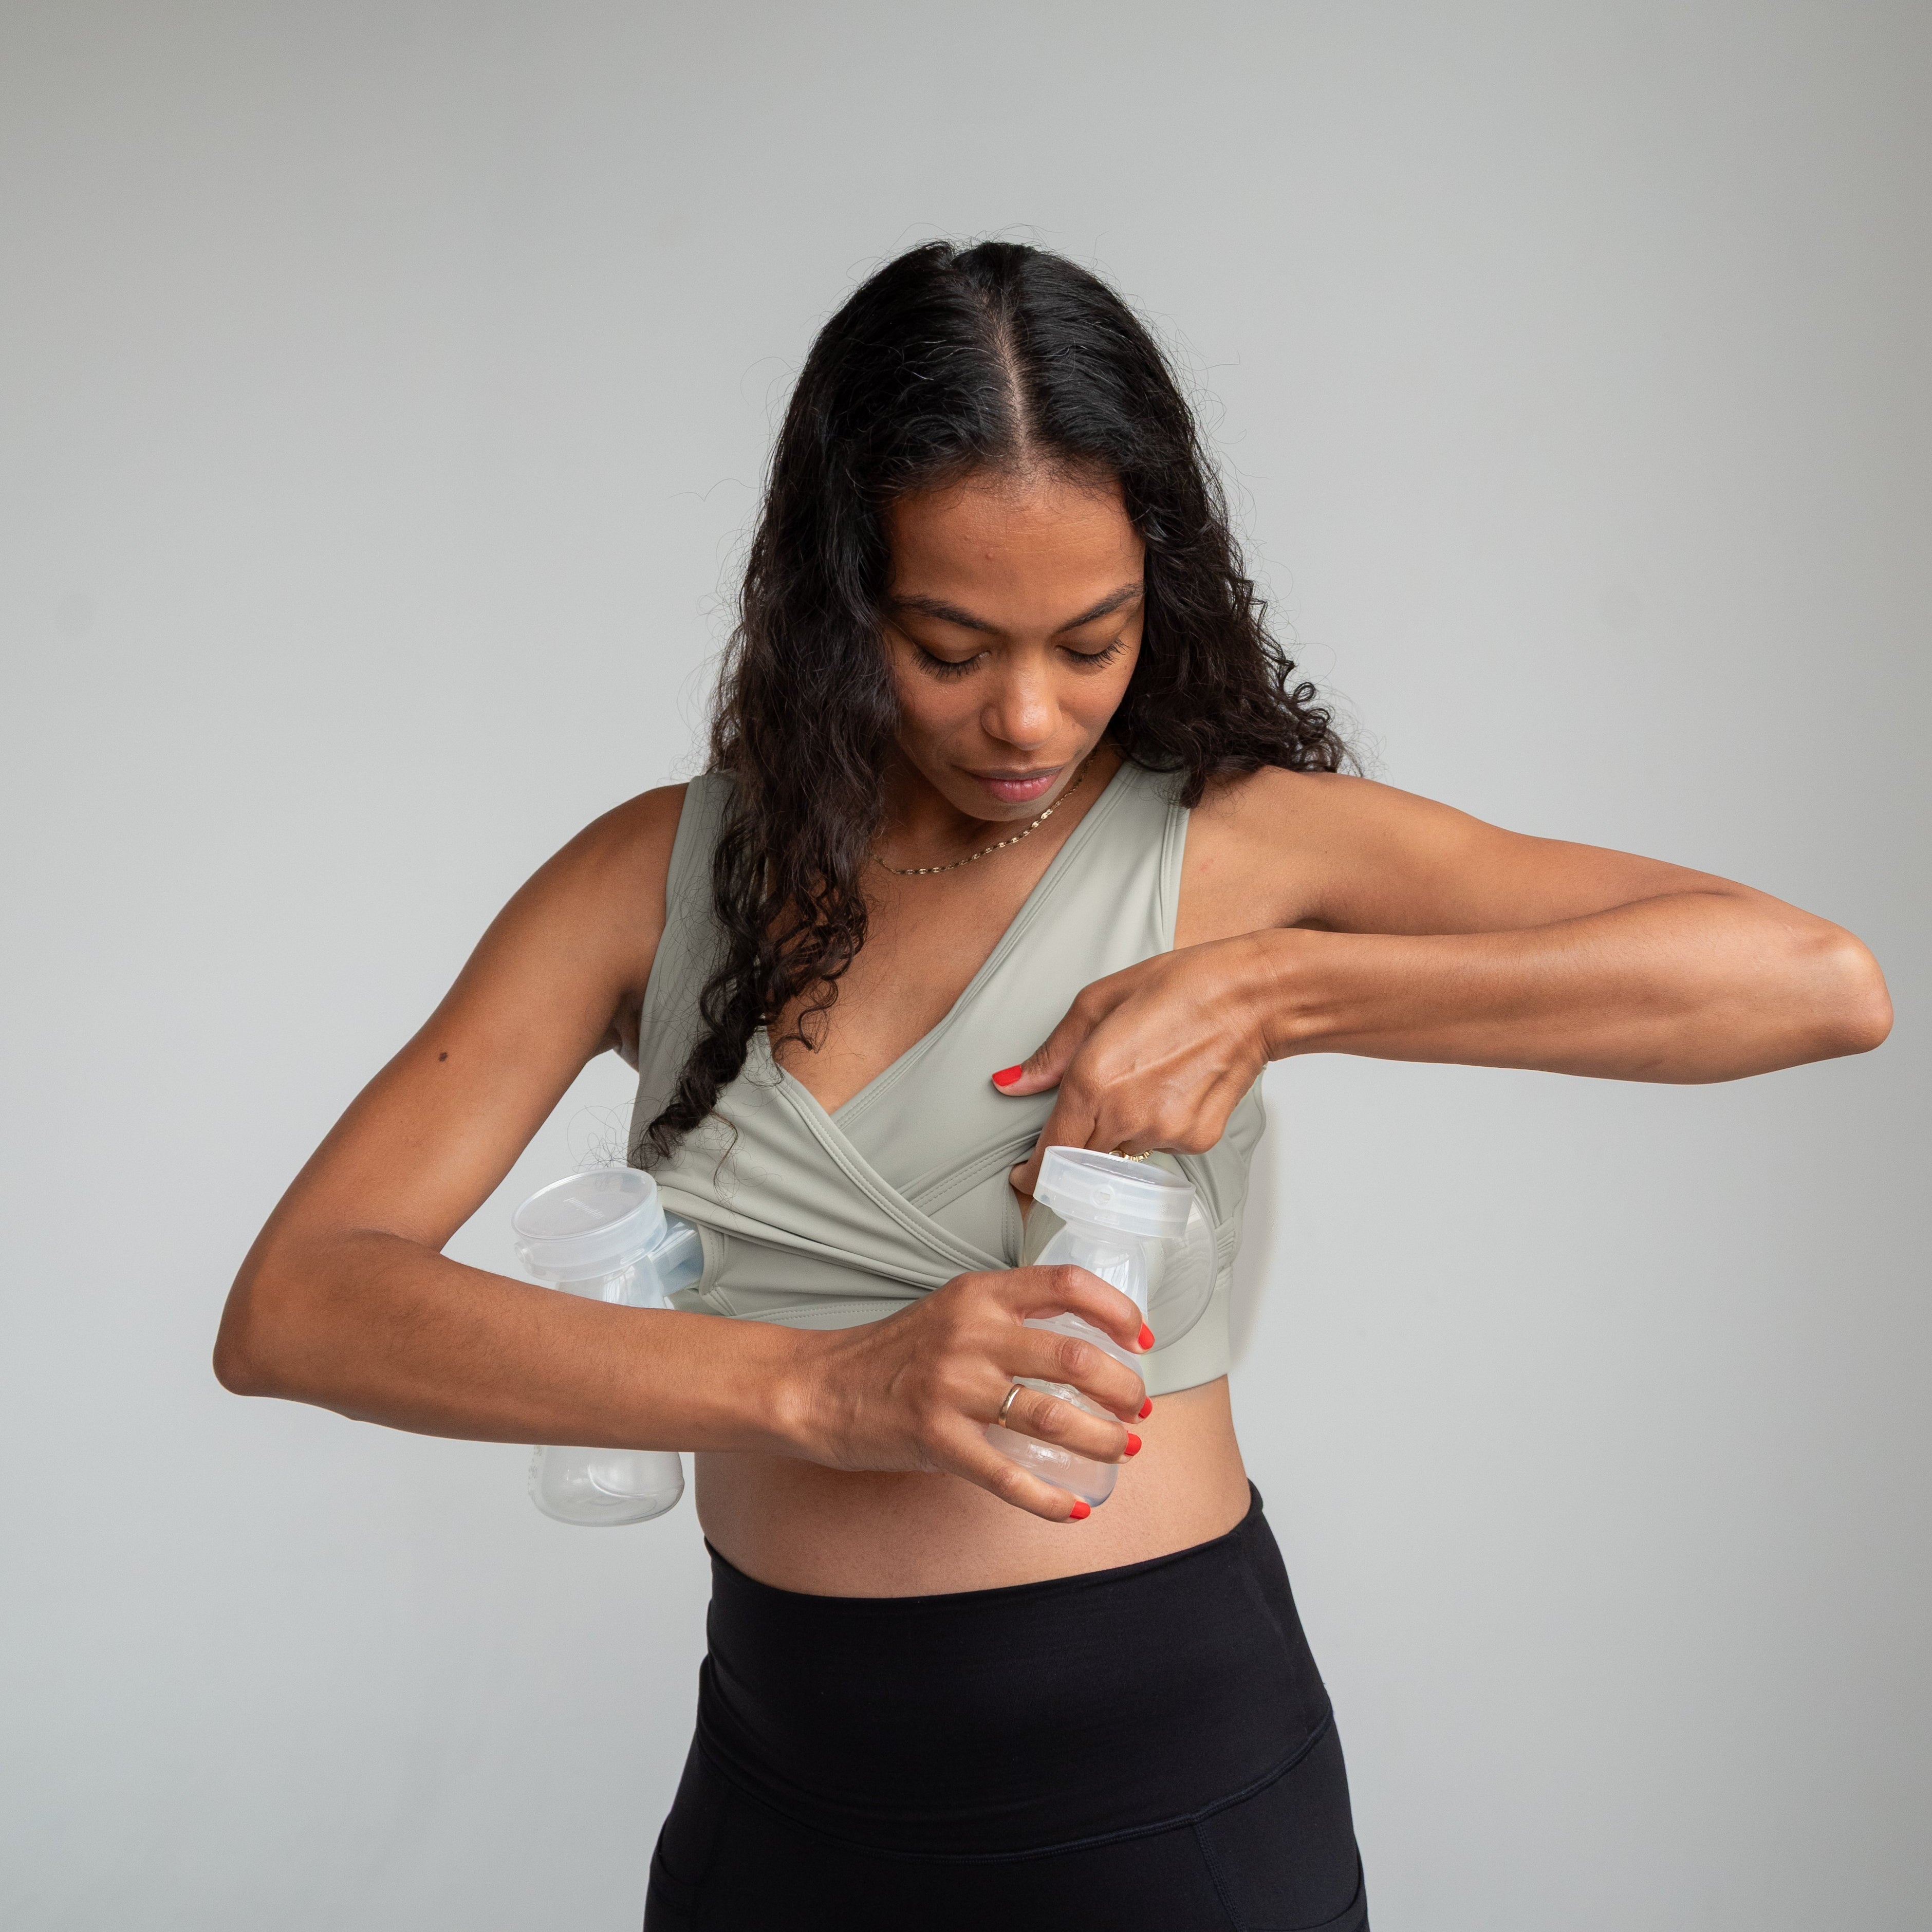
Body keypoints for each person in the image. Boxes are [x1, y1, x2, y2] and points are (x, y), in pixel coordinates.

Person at [214, 240, 1891, 1931]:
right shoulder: (649, 881)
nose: (1029, 717)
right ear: (837, 605)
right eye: (949, 648)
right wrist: (819, 1389)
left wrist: (1283, 988)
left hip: (1162, 1817)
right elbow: (295, 1307)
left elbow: (1815, 982)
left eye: (1093, 642)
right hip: (778, 1808)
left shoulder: (1235, 848)